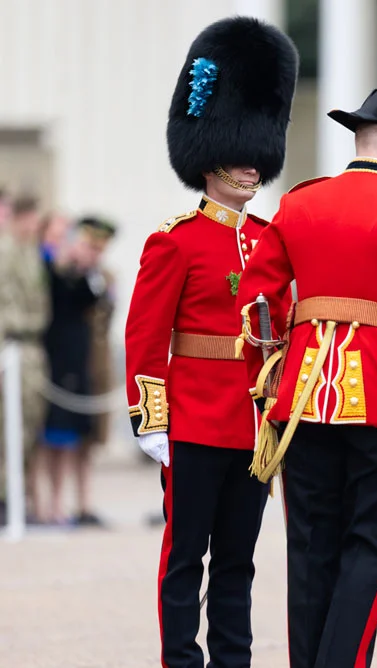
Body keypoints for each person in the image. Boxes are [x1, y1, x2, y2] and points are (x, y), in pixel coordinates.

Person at [235, 51, 377, 668]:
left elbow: (259, 306)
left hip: (300, 400)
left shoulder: (299, 203)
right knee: (368, 548)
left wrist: (274, 374)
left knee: (307, 548)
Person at [123, 17, 298, 668]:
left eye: (258, 151)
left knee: (237, 562)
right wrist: (151, 418)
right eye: (239, 149)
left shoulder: (267, 240)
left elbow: (277, 333)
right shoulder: (176, 240)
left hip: (250, 427)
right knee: (183, 556)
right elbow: (145, 335)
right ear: (210, 154)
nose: (252, 164)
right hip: (194, 422)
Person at [39, 216, 115, 526]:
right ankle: (51, 502)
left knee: (86, 437)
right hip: (60, 362)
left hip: (91, 365)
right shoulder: (57, 272)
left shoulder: (98, 276)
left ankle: (82, 503)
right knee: (56, 437)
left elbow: (99, 304)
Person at [0, 194, 49, 526]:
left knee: (30, 424)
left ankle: (18, 497)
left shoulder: (30, 251)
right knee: (10, 427)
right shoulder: (6, 251)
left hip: (32, 346)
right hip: (13, 344)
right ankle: (7, 497)